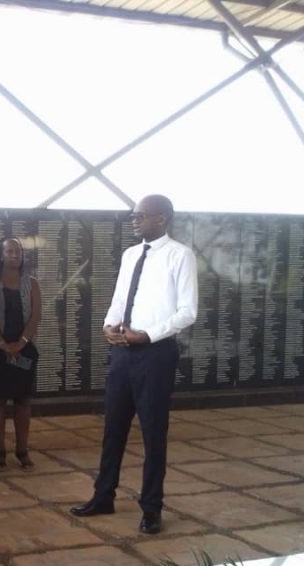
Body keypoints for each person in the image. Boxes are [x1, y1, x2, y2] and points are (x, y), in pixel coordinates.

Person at [71, 195, 198, 535]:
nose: (134, 220)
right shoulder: (130, 255)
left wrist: (148, 335)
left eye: (140, 215)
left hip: (155, 353)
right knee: (113, 428)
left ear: (162, 218)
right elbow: (119, 299)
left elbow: (188, 311)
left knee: (154, 432)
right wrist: (108, 326)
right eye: (133, 215)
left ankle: (152, 507)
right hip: (123, 352)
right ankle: (103, 495)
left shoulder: (180, 255)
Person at [0, 238, 41, 469]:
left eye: (18, 251)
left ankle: (22, 450)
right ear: (1, 254)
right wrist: (3, 344)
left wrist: (21, 343)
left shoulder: (32, 283)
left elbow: (35, 316)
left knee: (23, 400)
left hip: (25, 349)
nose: (15, 255)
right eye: (9, 251)